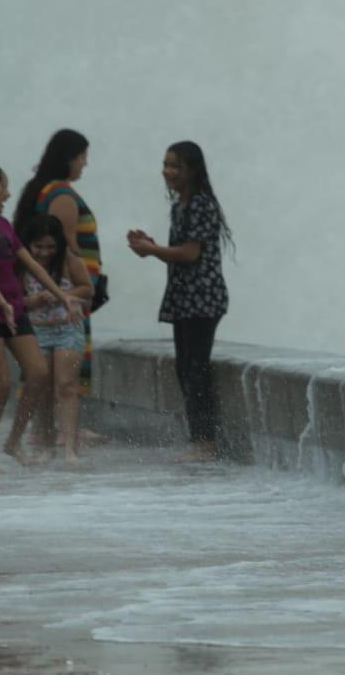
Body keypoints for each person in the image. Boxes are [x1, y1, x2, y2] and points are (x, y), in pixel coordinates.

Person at [0, 164, 78, 474]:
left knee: (38, 372)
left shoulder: (4, 224)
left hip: (13, 309)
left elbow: (32, 265)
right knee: (1, 383)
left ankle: (13, 441)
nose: (8, 194)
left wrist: (63, 296)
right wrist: (1, 303)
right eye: (4, 187)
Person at [127, 141, 232, 464]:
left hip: (203, 298)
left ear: (193, 170)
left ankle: (206, 443)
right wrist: (153, 246)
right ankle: (198, 439)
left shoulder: (201, 204)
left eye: (176, 166)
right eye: (166, 164)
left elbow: (191, 253)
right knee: (185, 368)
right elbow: (183, 252)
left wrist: (152, 251)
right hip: (186, 298)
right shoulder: (181, 206)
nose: (168, 172)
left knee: (196, 369)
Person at [13, 129, 103, 443]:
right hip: (66, 297)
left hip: (51, 295)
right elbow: (65, 248)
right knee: (64, 369)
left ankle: (45, 430)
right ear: (69, 158)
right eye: (82, 157)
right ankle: (63, 431)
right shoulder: (62, 194)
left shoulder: (42, 190)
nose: (85, 165)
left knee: (47, 368)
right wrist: (78, 289)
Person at [17, 216, 94, 467]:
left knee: (67, 386)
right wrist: (34, 301)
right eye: (39, 247)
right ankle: (47, 446)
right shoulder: (21, 264)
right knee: (42, 390)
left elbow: (87, 288)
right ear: (29, 244)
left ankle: (71, 450)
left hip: (68, 328)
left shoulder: (69, 259)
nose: (45, 253)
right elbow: (15, 299)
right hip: (36, 331)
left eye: (51, 247)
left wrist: (60, 295)